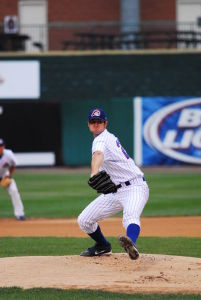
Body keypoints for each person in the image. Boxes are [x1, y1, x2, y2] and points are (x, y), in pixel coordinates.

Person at [78, 108, 149, 260]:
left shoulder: (102, 139)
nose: (96, 124)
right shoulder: (104, 138)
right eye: (93, 121)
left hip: (135, 187)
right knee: (84, 220)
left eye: (99, 121)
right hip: (115, 191)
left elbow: (98, 154)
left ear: (105, 123)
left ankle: (131, 244)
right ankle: (103, 246)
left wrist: (94, 173)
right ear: (88, 124)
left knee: (130, 216)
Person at [0, 138, 25, 220]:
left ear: (4, 146)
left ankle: (20, 214)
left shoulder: (9, 154)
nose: (0, 148)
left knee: (14, 190)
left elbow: (14, 165)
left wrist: (10, 175)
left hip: (4, 175)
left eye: (1, 146)